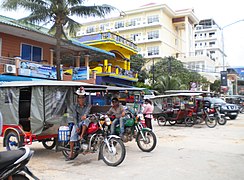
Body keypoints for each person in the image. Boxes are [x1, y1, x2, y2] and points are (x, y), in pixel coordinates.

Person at [67, 87, 91, 161]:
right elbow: (74, 117)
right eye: (80, 98)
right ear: (78, 98)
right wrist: (77, 126)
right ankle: (71, 153)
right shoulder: (74, 106)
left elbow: (87, 112)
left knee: (86, 120)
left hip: (85, 122)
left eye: (83, 97)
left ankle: (81, 136)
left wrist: (85, 115)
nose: (81, 99)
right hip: (77, 122)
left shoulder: (88, 105)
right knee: (73, 136)